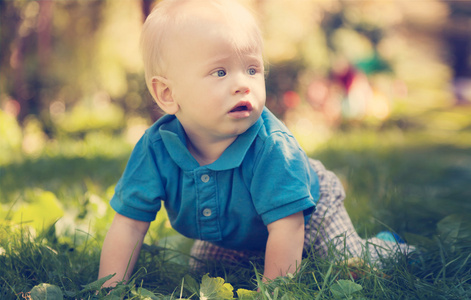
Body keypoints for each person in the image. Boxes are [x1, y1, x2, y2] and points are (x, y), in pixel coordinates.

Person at [98, 0, 411, 288]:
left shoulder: (271, 147)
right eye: (219, 72)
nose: (242, 84)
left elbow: (287, 227)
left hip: (307, 214)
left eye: (252, 69)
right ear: (168, 94)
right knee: (207, 270)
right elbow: (129, 225)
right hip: (234, 231)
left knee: (348, 264)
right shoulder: (156, 149)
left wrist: (273, 290)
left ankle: (387, 247)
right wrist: (109, 287)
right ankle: (264, 256)